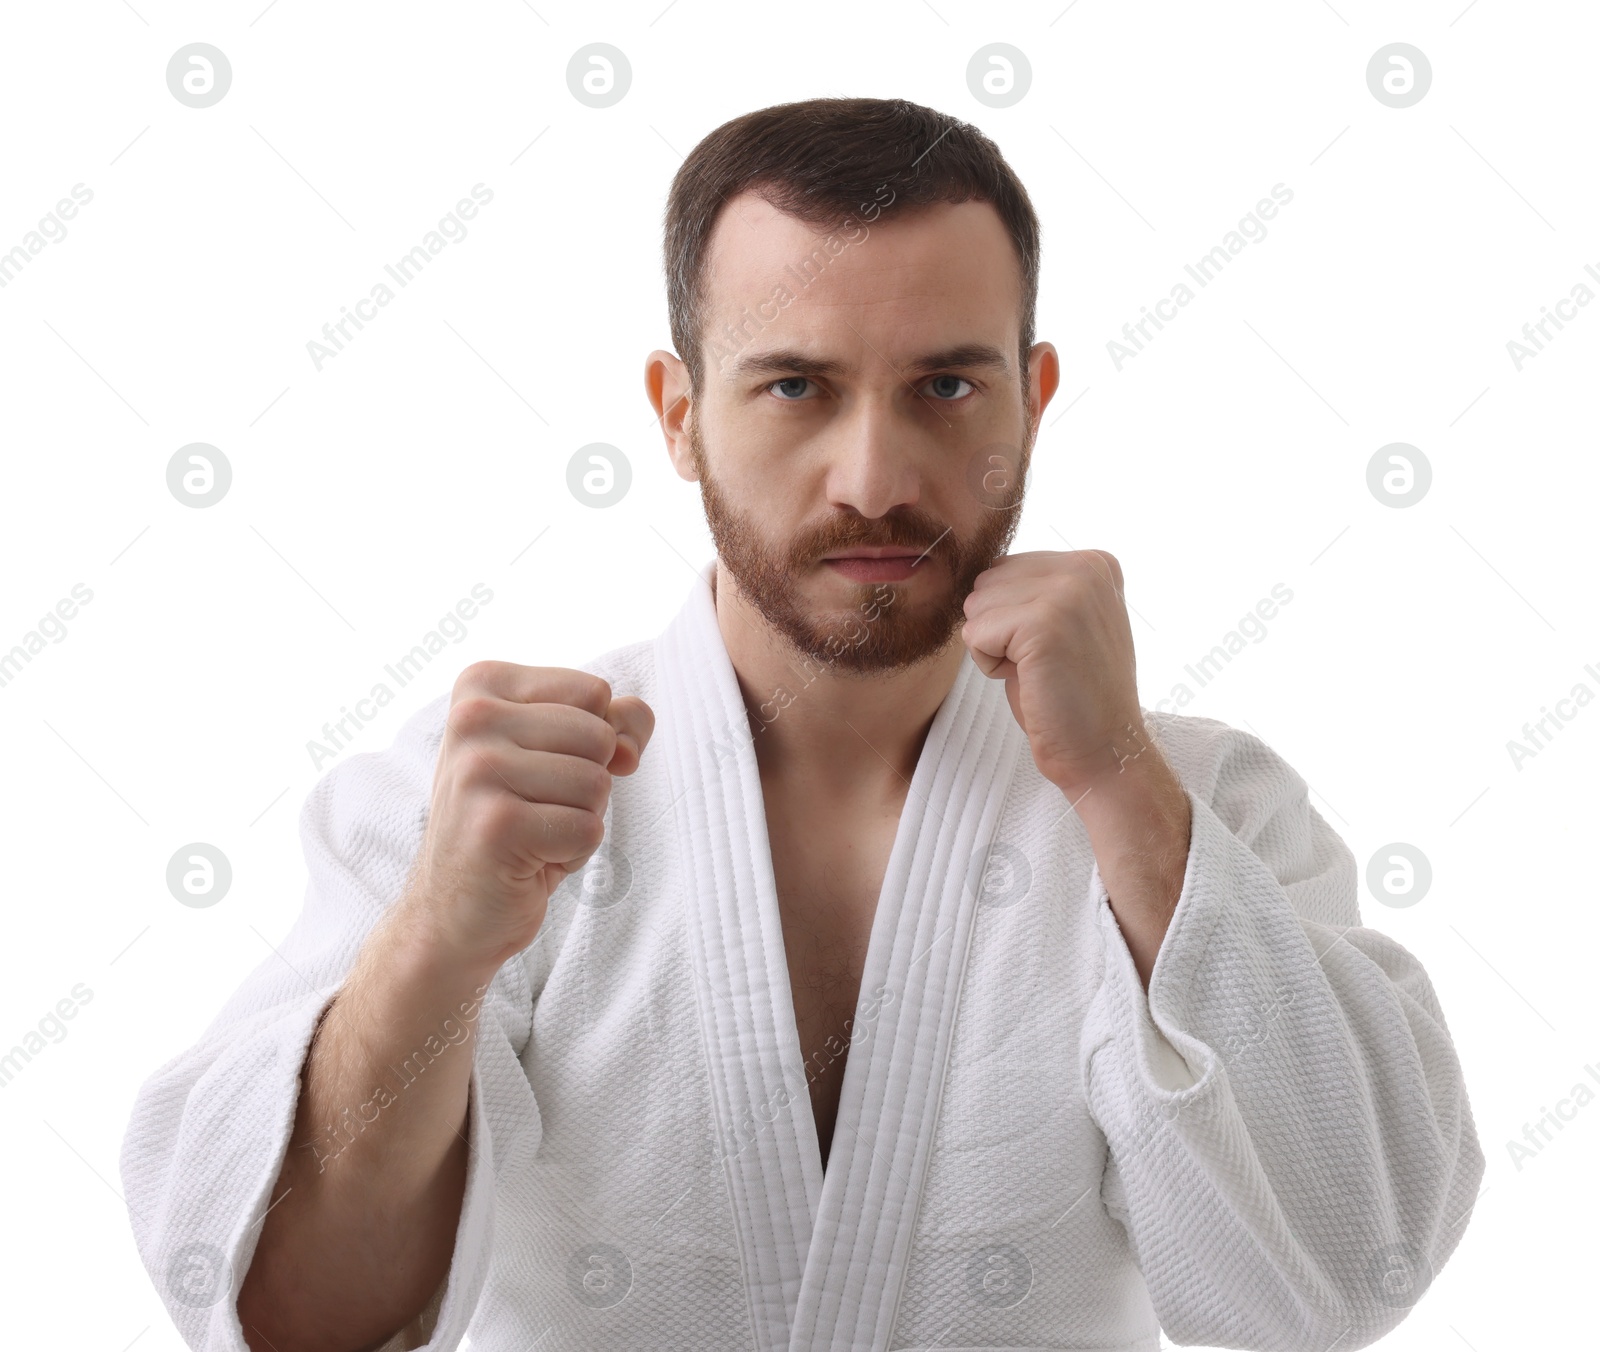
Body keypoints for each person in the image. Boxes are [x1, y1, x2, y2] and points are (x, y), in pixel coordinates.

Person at [121, 96, 1485, 1352]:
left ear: (1035, 397)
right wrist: (437, 942)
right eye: (795, 387)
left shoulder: (1199, 806)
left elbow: (1345, 1273)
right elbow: (291, 1316)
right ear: (680, 416)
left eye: (947, 385)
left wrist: (1120, 784)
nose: (876, 478)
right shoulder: (477, 803)